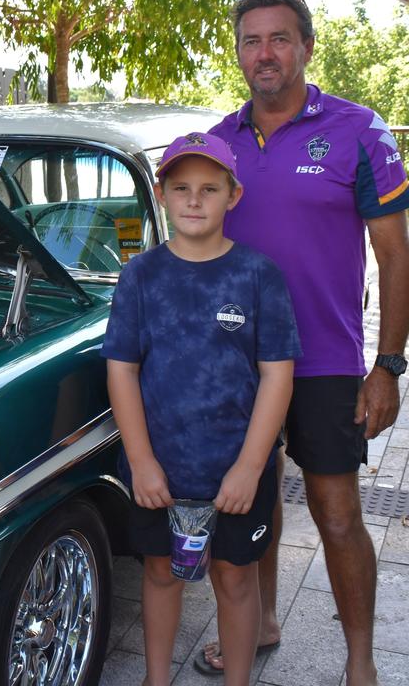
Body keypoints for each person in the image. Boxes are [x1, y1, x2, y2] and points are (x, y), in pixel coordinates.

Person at [195, 0, 409, 686]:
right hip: (238, 365)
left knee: (338, 513)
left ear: (306, 47)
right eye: (252, 40)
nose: (265, 53)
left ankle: (360, 660)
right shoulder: (218, 143)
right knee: (253, 495)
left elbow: (396, 255)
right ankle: (262, 622)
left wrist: (388, 365)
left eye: (280, 38)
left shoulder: (361, 131)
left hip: (323, 361)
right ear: (238, 52)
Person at [103, 132, 301, 686]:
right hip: (159, 471)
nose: (195, 200)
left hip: (238, 471)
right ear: (162, 194)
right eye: (182, 187)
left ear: (233, 196)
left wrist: (249, 466)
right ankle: (156, 678)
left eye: (209, 188)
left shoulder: (259, 276)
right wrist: (140, 461)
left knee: (236, 580)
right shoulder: (141, 275)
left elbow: (277, 375)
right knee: (162, 572)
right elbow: (122, 368)